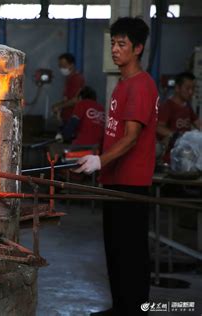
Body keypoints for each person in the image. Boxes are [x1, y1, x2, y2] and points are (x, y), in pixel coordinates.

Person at [74, 17, 159, 316]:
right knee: (115, 251)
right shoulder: (122, 85)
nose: (115, 49)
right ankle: (121, 306)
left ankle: (135, 309)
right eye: (113, 43)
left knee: (131, 253)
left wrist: (99, 161)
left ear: (137, 48)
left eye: (122, 44)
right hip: (114, 180)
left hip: (130, 185)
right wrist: (96, 159)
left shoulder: (141, 86)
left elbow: (131, 138)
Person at [157, 72, 201, 162]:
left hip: (185, 155)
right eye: (188, 88)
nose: (191, 92)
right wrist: (176, 136)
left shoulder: (187, 107)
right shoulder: (167, 106)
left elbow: (198, 123)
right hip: (171, 157)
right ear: (177, 88)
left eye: (193, 89)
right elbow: (158, 127)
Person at [60, 86, 105, 150]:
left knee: (62, 155)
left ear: (80, 97)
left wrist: (63, 136)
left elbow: (73, 123)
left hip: (82, 145)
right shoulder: (101, 108)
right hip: (97, 147)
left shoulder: (82, 104)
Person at [52, 53, 85, 125]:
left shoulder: (77, 79)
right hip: (66, 117)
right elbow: (66, 99)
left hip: (73, 118)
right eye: (60, 66)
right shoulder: (68, 79)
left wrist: (59, 106)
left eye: (63, 66)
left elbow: (75, 100)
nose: (61, 68)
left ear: (71, 65)